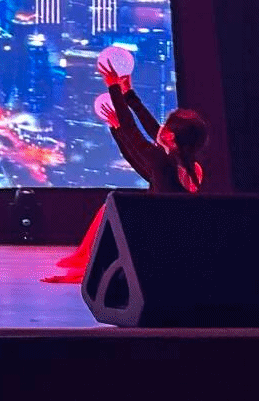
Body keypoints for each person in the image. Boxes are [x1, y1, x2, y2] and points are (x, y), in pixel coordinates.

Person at [44, 59, 208, 283]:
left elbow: (134, 132)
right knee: (111, 208)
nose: (160, 129)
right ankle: (88, 263)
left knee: (113, 209)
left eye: (166, 128)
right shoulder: (192, 168)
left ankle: (93, 271)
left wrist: (113, 88)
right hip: (176, 237)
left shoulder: (162, 161)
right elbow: (148, 137)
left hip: (157, 238)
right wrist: (128, 95)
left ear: (170, 137)